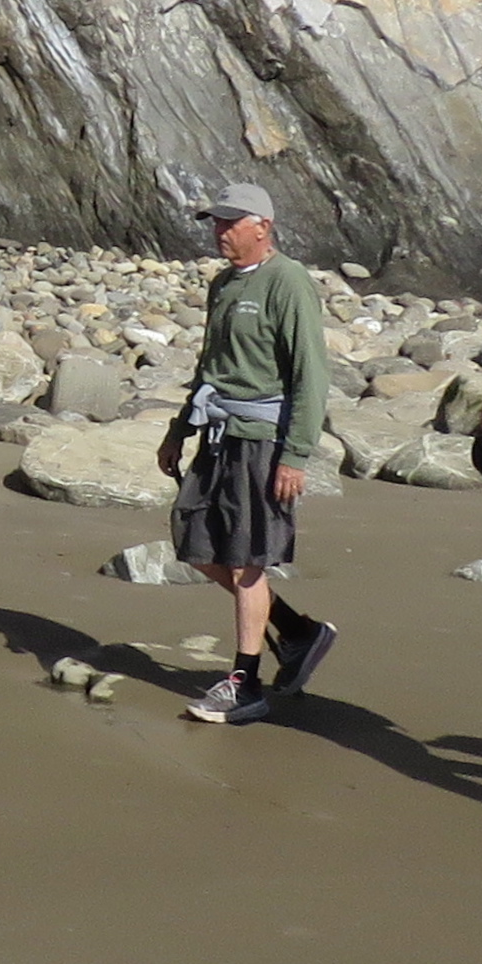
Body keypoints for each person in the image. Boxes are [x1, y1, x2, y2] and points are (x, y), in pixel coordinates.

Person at [155, 181, 340, 725]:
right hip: (216, 435)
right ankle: (299, 633)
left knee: (246, 559)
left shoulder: (289, 282)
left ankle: (245, 682)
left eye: (230, 222)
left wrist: (296, 456)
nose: (220, 231)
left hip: (263, 441)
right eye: (216, 222)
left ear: (263, 225)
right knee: (196, 541)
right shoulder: (223, 285)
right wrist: (177, 430)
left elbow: (312, 373)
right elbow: (209, 368)